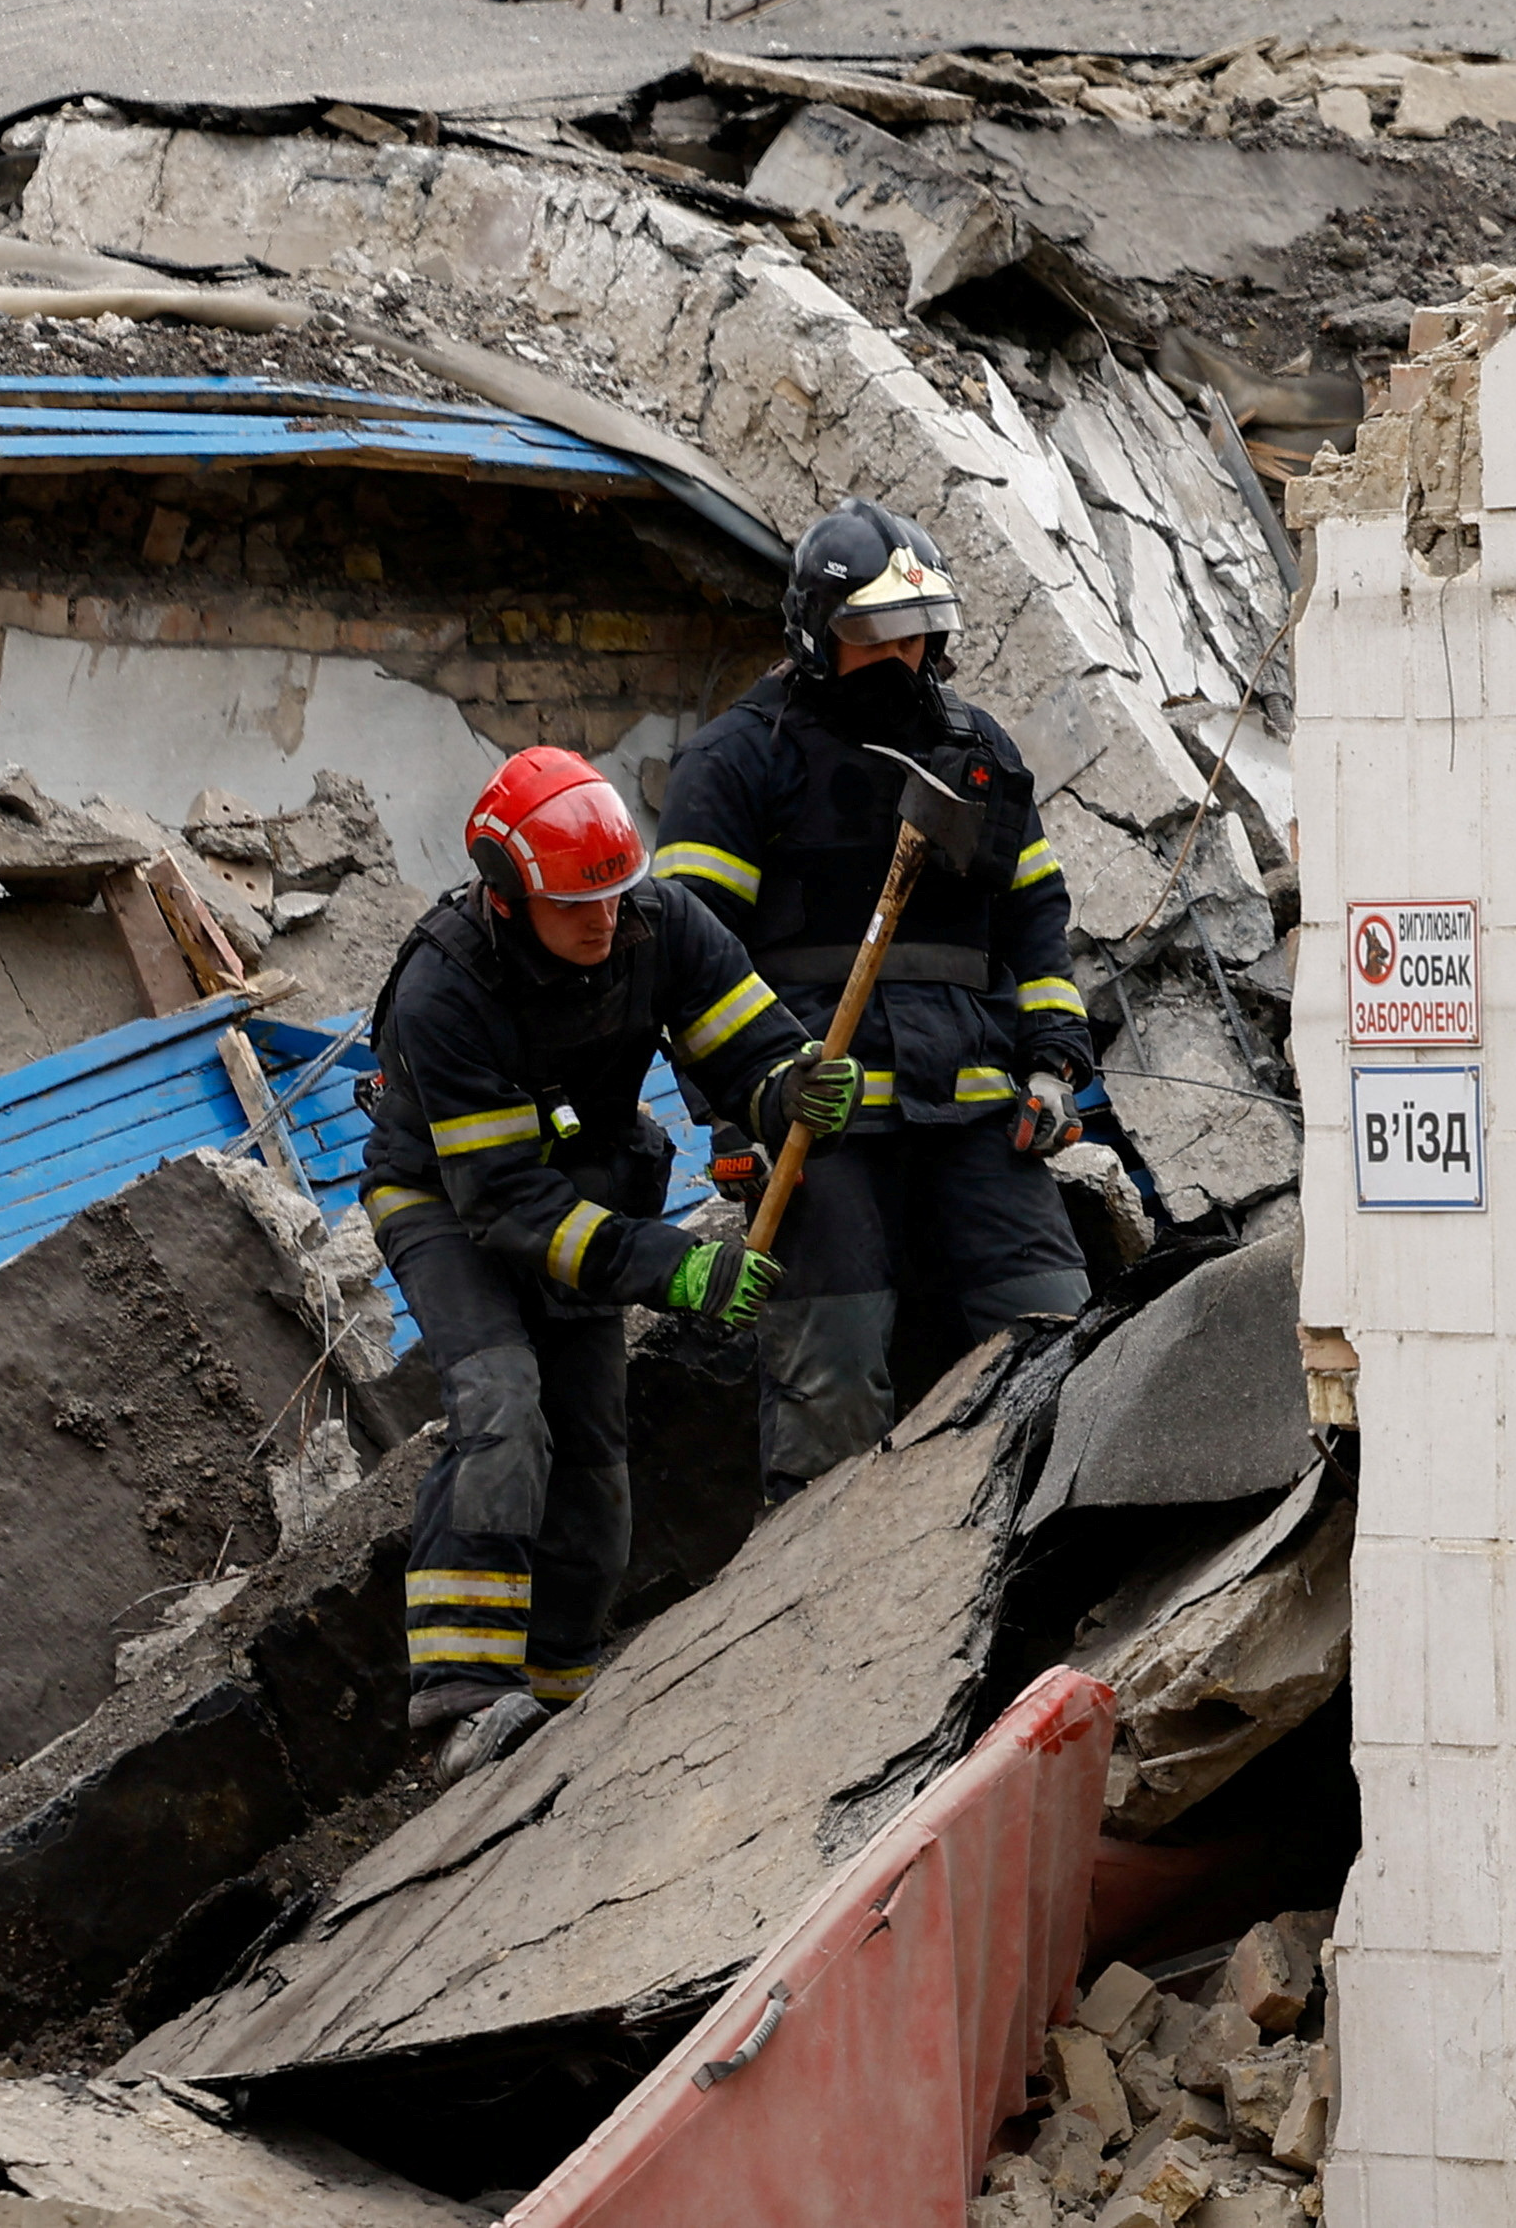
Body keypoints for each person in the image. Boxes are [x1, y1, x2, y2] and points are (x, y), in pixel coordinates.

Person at [365, 746, 834, 1734]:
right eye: (578, 904)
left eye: (616, 895)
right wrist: (677, 1267)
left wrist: (790, 1085)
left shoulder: (656, 923)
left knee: (591, 1461)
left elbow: (749, 1043)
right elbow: (503, 1204)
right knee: (501, 1404)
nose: (604, 920)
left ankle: (557, 1686)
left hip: (580, 1188)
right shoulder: (442, 991)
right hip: (446, 1205)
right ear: (504, 895)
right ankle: (459, 1697)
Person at [651, 501, 1098, 1496]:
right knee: (835, 1386)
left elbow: (1035, 924)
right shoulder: (735, 760)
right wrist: (735, 1111)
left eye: (917, 631)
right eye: (873, 635)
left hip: (980, 1109)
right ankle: (824, 1619)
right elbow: (683, 957)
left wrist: (1052, 1064)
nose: (901, 655)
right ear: (817, 634)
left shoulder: (978, 752)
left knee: (1056, 1335)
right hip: (822, 1117)